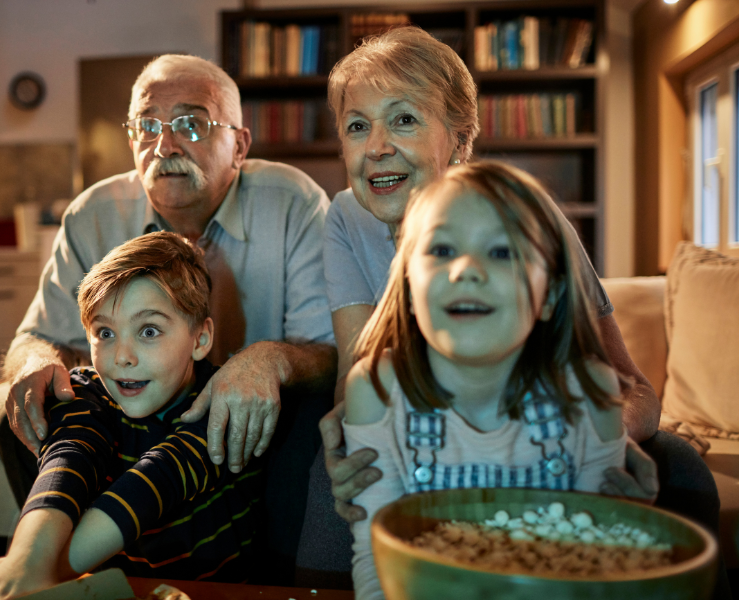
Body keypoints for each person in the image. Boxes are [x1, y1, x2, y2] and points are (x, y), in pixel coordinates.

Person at [297, 27, 725, 598]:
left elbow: (633, 391)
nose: (375, 146)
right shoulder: (349, 217)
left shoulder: (528, 217)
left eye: (403, 119)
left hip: (542, 427)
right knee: (338, 477)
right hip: (422, 433)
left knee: (680, 469)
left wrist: (568, 454)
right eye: (357, 126)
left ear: (458, 137)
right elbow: (361, 385)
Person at [0, 54, 336, 585]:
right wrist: (35, 364)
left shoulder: (292, 202)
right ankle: (61, 567)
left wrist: (266, 361)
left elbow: (329, 350)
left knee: (309, 412)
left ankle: (275, 583)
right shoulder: (92, 213)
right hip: (132, 406)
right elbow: (39, 337)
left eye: (190, 123)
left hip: (247, 418)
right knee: (24, 403)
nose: (165, 145)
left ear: (240, 146)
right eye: (148, 125)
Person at [346, 160, 628, 599]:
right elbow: (375, 561)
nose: (466, 270)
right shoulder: (376, 391)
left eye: (501, 252)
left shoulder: (590, 393)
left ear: (550, 295)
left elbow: (599, 561)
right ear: (409, 287)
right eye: (441, 251)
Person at [0, 232, 264, 600]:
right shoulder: (85, 392)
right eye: (105, 332)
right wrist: (25, 560)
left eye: (148, 331)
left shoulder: (222, 403)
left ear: (200, 339)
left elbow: (159, 478)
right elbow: (69, 457)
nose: (122, 357)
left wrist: (30, 570)